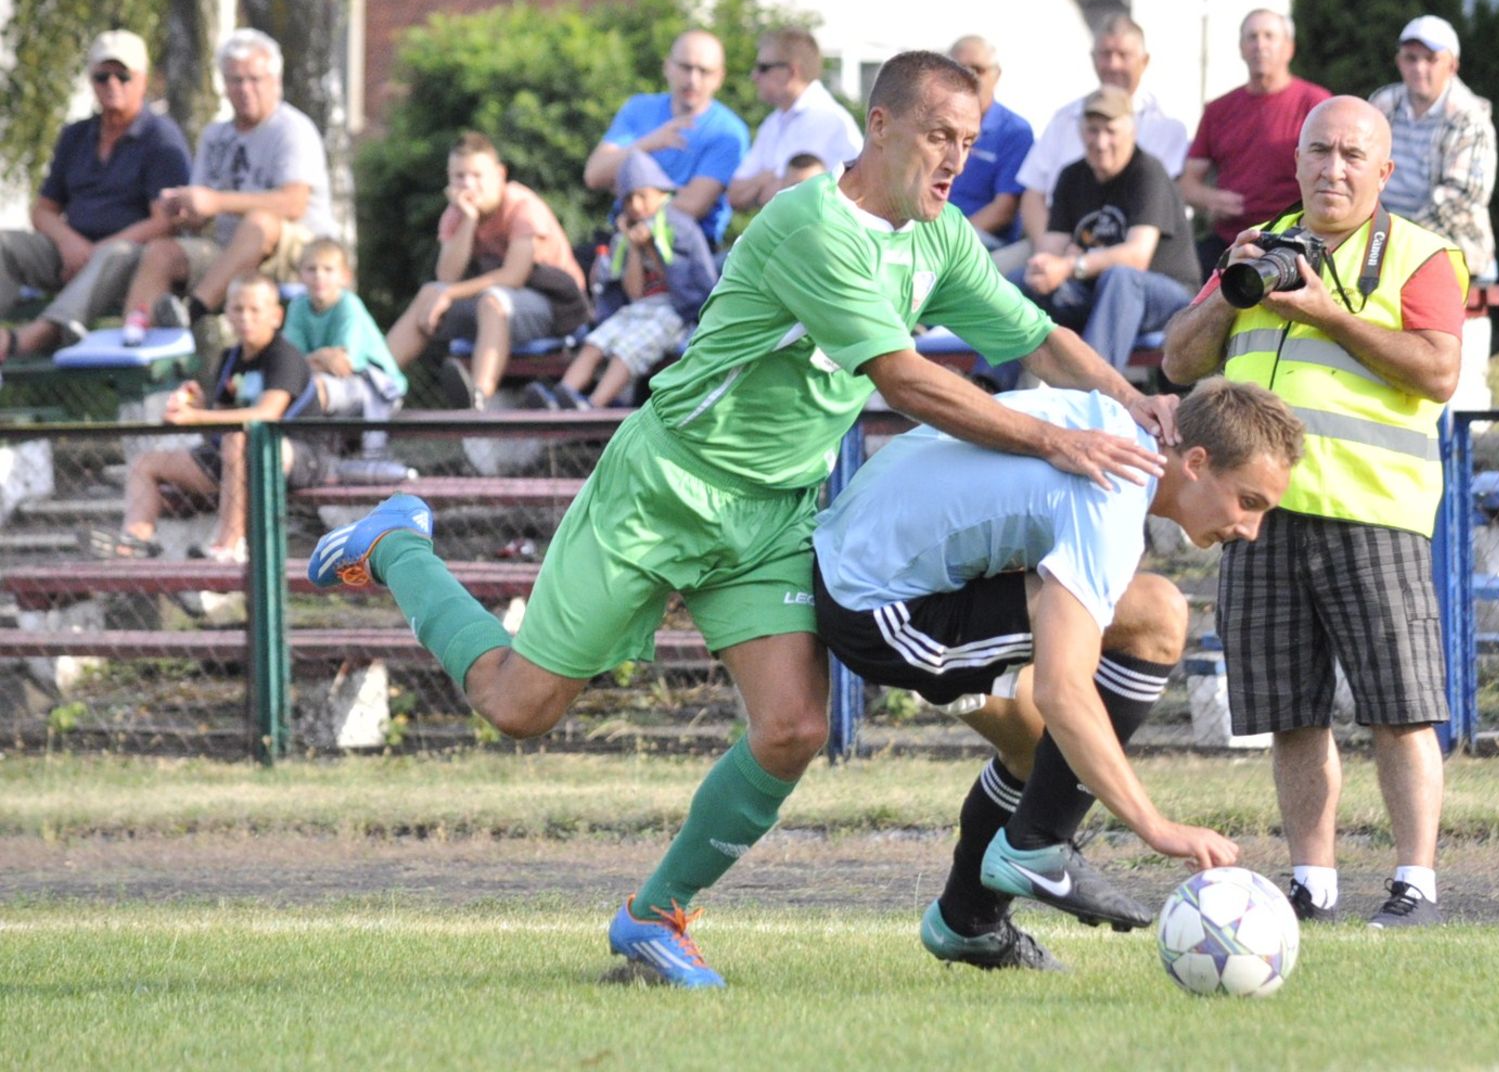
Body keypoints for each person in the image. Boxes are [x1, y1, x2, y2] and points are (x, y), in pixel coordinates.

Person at [308, 50, 1182, 990]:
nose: (955, 161)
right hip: (664, 486)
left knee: (793, 727)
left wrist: (1128, 398)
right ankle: (397, 542)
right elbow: (902, 378)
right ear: (877, 126)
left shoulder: (939, 238)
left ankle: (655, 918)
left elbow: (1034, 336)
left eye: (968, 143)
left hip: (771, 515)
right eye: (938, 136)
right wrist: (1056, 445)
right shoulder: (811, 226)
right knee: (516, 708)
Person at [815, 378, 1302, 969]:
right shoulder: (1112, 493)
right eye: (1248, 502)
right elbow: (1064, 689)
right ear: (1195, 461)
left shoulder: (1114, 423)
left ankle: (968, 924)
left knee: (1037, 753)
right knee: (1155, 616)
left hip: (865, 561)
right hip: (880, 609)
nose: (1249, 530)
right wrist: (1155, 827)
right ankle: (1037, 844)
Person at [1162, 96, 1469, 929]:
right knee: (1288, 712)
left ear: (1382, 170)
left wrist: (1327, 313)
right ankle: (1312, 883)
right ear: (1295, 162)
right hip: (1257, 515)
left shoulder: (1420, 254)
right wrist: (1233, 291)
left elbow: (1438, 371)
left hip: (1373, 512)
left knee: (1400, 707)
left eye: (1350, 155)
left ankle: (1415, 884)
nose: (1332, 169)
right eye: (1318, 152)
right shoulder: (1255, 247)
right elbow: (1178, 357)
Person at [90, 273, 330, 562]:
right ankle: (134, 543)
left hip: (296, 456)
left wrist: (196, 416)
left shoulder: (284, 357)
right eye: (238, 309)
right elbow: (221, 420)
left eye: (255, 310)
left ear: (276, 316)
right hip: (235, 456)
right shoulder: (230, 357)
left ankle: (229, 544)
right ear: (227, 312)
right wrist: (198, 403)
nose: (245, 317)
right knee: (145, 464)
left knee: (238, 440)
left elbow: (267, 415)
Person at [119, 29, 334, 346]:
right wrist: (184, 207)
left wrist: (215, 202)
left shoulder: (293, 130)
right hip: (228, 252)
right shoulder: (215, 135)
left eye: (253, 79)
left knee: (259, 222)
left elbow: (293, 204)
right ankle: (134, 347)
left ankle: (192, 312)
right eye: (235, 80)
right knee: (161, 252)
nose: (245, 89)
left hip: (297, 252)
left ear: (275, 81)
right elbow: (202, 214)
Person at [986, 87, 1198, 388]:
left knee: (1120, 277)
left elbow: (1137, 256)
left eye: (1110, 131)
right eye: (1092, 130)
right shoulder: (1072, 175)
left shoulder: (1148, 172)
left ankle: (1087, 394)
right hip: (1101, 293)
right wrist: (1045, 267)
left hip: (1168, 295)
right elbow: (1051, 247)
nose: (1100, 142)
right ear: (1081, 132)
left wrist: (1072, 265)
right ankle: (988, 386)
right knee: (1023, 280)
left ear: (1131, 131)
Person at [0, 31, 191, 363]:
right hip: (71, 255)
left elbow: (165, 223)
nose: (112, 84)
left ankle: (36, 336)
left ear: (142, 80)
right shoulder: (75, 135)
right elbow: (43, 210)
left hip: (129, 260)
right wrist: (69, 242)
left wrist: (96, 252)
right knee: (6, 243)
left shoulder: (162, 138)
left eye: (122, 75)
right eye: (103, 76)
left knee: (115, 254)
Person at [386, 132, 589, 411]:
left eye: (476, 175)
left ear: (499, 174)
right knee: (429, 293)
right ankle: (375, 383)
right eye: (459, 176)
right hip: (495, 310)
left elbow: (514, 276)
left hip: (557, 310)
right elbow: (446, 278)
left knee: (493, 300)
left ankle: (479, 397)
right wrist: (467, 220)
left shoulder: (523, 206)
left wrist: (451, 294)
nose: (468, 184)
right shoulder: (457, 212)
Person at [522, 151, 714, 410]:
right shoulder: (623, 239)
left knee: (627, 350)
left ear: (661, 193)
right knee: (595, 343)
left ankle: (593, 405)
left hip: (675, 313)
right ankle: (562, 395)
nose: (635, 205)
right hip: (640, 308)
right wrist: (634, 248)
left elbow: (684, 285)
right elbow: (634, 292)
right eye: (628, 199)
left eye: (642, 196)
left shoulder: (681, 227)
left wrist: (651, 247)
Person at [1010, 15, 1189, 262]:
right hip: (1053, 240)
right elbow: (1032, 194)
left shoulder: (1166, 127)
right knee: (989, 279)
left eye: (1123, 55)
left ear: (1144, 61)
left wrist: (1076, 263)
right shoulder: (1064, 118)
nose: (1113, 64)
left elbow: (1152, 210)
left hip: (1125, 255)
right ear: (1092, 58)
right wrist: (1050, 255)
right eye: (1105, 54)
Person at [1179, 9, 1330, 275]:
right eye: (1252, 37)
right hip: (1231, 240)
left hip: (1293, 239)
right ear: (1241, 48)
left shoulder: (1316, 104)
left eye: (1269, 36)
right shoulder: (1218, 110)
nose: (1260, 44)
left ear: (1289, 48)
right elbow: (1187, 185)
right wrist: (1211, 199)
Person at [583, 30, 750, 246]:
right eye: (686, 67)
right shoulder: (638, 108)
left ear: (719, 77)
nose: (693, 80)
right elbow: (594, 175)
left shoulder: (728, 131)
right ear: (667, 67)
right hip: (621, 236)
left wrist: (633, 200)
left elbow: (693, 205)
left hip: (685, 248)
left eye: (704, 71)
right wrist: (648, 144)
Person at [1370, 15, 1497, 283]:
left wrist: (1397, 238)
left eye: (1430, 59)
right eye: (1411, 58)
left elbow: (1462, 197)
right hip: (1379, 243)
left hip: (1449, 247)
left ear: (1452, 66)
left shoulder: (1469, 119)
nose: (1419, 67)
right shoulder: (1381, 104)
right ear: (1399, 62)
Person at [282, 239, 407, 449]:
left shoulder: (349, 306)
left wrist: (309, 361)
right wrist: (323, 357)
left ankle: (298, 449)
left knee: (314, 389)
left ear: (345, 276)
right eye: (311, 269)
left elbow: (342, 365)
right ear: (300, 276)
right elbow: (290, 362)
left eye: (328, 269)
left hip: (377, 389)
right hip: (326, 381)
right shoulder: (298, 307)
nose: (319, 276)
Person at [727, 28, 861, 212]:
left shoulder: (833, 122)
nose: (754, 76)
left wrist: (768, 181)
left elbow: (857, 202)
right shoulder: (773, 123)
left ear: (791, 71)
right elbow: (735, 195)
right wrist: (776, 181)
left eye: (763, 68)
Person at [946, 35, 1034, 248]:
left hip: (982, 242)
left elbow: (1004, 210)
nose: (969, 77)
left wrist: (950, 241)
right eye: (960, 69)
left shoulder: (1015, 132)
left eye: (978, 70)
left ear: (997, 75)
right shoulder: (932, 124)